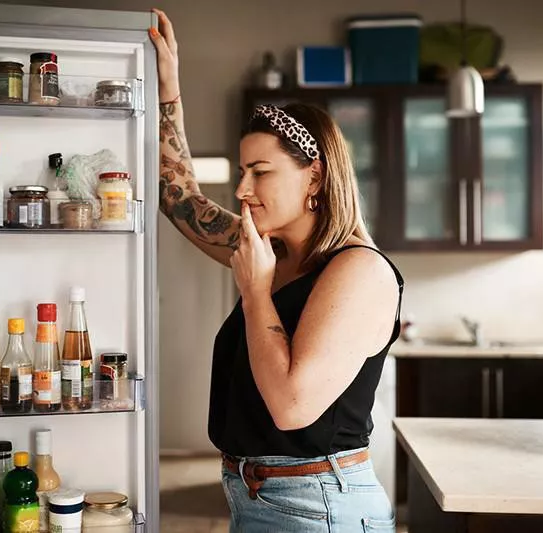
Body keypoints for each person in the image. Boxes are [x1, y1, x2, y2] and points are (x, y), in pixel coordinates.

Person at [150, 9, 404, 532]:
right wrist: (168, 89)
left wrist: (255, 292)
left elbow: (292, 407)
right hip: (258, 498)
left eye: (260, 172)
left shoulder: (359, 270)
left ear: (315, 177)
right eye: (243, 171)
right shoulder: (272, 252)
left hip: (317, 505)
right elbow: (178, 198)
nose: (242, 189)